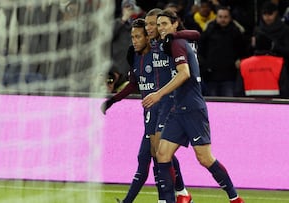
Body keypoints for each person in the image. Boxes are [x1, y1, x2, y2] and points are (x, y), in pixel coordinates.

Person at [142, 9, 244, 203]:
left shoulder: (178, 44)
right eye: (159, 24)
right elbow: (194, 35)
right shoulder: (172, 42)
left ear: (174, 24)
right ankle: (173, 198)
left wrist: (159, 94)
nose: (161, 28)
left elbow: (184, 73)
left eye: (165, 24)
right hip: (178, 109)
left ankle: (235, 198)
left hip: (192, 109)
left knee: (205, 158)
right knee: (162, 153)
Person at [102, 16, 199, 203]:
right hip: (149, 114)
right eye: (133, 37)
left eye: (139, 36)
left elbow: (195, 35)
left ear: (148, 37)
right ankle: (178, 194)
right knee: (149, 157)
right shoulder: (136, 56)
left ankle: (175, 194)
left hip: (165, 109)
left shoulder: (161, 50)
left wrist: (173, 34)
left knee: (159, 155)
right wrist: (113, 100)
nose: (135, 40)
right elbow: (133, 84)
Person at [197, 6, 247, 97]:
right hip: (211, 76)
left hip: (230, 76)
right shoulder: (209, 30)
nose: (223, 19)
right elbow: (200, 50)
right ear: (216, 17)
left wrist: (240, 60)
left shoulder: (236, 31)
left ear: (230, 18)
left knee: (229, 104)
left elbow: (243, 50)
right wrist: (205, 65)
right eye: (220, 17)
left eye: (225, 17)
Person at [238, 33, 289, 98]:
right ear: (270, 46)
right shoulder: (279, 63)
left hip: (250, 104)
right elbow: (284, 89)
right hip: (274, 103)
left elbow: (239, 90)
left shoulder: (244, 64)